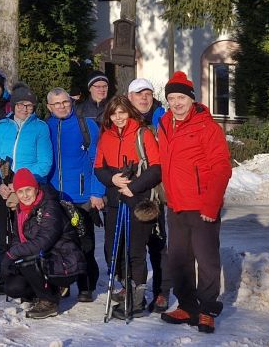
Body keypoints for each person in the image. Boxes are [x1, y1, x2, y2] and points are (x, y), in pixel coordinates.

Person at [158, 71, 232, 334]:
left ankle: (207, 310)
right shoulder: (164, 124)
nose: (176, 103)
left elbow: (221, 168)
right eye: (171, 98)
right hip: (175, 204)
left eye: (181, 97)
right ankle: (187, 306)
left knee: (206, 259)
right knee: (179, 259)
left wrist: (211, 206)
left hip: (202, 206)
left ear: (191, 99)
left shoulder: (207, 127)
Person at [94, 95, 163, 320]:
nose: (118, 117)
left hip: (138, 199)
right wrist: (112, 179)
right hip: (115, 200)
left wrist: (133, 186)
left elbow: (156, 168)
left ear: (129, 112)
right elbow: (98, 167)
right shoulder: (106, 136)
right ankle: (127, 287)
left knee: (135, 251)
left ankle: (138, 300)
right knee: (113, 249)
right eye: (114, 113)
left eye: (122, 112)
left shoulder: (143, 133)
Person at [0, 168, 85, 320]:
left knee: (29, 259)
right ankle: (45, 291)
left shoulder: (50, 206)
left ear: (36, 189)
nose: (25, 195)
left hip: (64, 261)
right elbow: (18, 237)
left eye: (28, 190)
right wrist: (11, 260)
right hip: (42, 261)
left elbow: (42, 242)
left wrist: (12, 254)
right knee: (13, 287)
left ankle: (49, 301)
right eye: (20, 191)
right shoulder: (20, 209)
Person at [43, 87, 105, 301]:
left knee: (84, 244)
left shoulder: (86, 125)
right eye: (56, 104)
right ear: (49, 107)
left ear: (71, 102)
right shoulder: (45, 127)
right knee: (57, 245)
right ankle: (63, 284)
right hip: (54, 198)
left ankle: (86, 286)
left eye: (65, 102)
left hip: (81, 197)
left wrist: (97, 191)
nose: (62, 107)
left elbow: (98, 160)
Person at [0, 84, 51, 262]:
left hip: (28, 189)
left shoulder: (40, 127)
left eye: (29, 105)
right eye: (20, 104)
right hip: (5, 187)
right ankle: (5, 269)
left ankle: (28, 268)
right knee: (4, 232)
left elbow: (45, 163)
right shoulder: (3, 127)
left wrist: (21, 183)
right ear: (13, 105)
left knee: (27, 232)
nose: (24, 109)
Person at [125, 76, 169, 311]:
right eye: (139, 94)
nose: (144, 98)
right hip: (130, 191)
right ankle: (133, 287)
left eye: (148, 94)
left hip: (155, 191)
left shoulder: (162, 119)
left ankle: (162, 291)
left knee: (157, 243)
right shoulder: (122, 119)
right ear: (130, 97)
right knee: (134, 245)